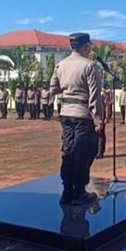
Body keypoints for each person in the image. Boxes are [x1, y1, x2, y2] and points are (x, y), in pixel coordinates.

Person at [50, 32, 103, 205]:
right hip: (82, 115)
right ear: (86, 46)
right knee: (84, 153)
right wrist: (98, 119)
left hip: (66, 114)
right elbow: (95, 96)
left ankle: (67, 191)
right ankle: (79, 192)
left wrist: (69, 88)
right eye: (90, 46)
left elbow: (53, 88)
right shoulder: (89, 65)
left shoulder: (60, 65)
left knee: (68, 152)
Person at [96, 86, 111, 159]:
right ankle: (95, 151)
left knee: (100, 134)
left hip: (101, 114)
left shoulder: (102, 92)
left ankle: (100, 152)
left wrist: (107, 117)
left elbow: (107, 105)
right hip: (92, 115)